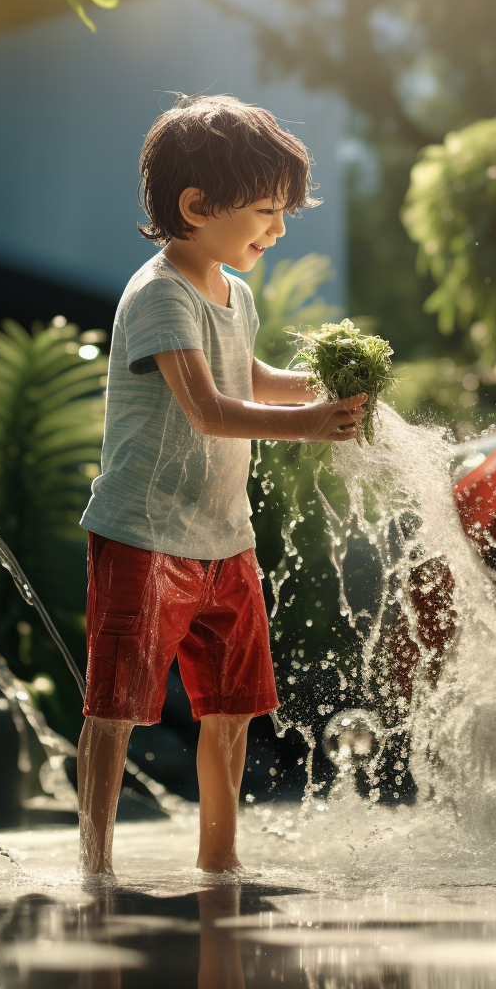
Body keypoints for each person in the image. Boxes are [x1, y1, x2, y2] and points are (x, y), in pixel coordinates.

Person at [76, 95, 365, 876]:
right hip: (144, 533)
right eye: (267, 212)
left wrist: (319, 388)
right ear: (197, 206)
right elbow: (206, 409)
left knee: (232, 710)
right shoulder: (159, 294)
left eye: (284, 214)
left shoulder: (232, 292)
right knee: (116, 711)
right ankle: (94, 865)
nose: (276, 230)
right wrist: (312, 427)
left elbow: (250, 378)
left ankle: (220, 857)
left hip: (223, 539)